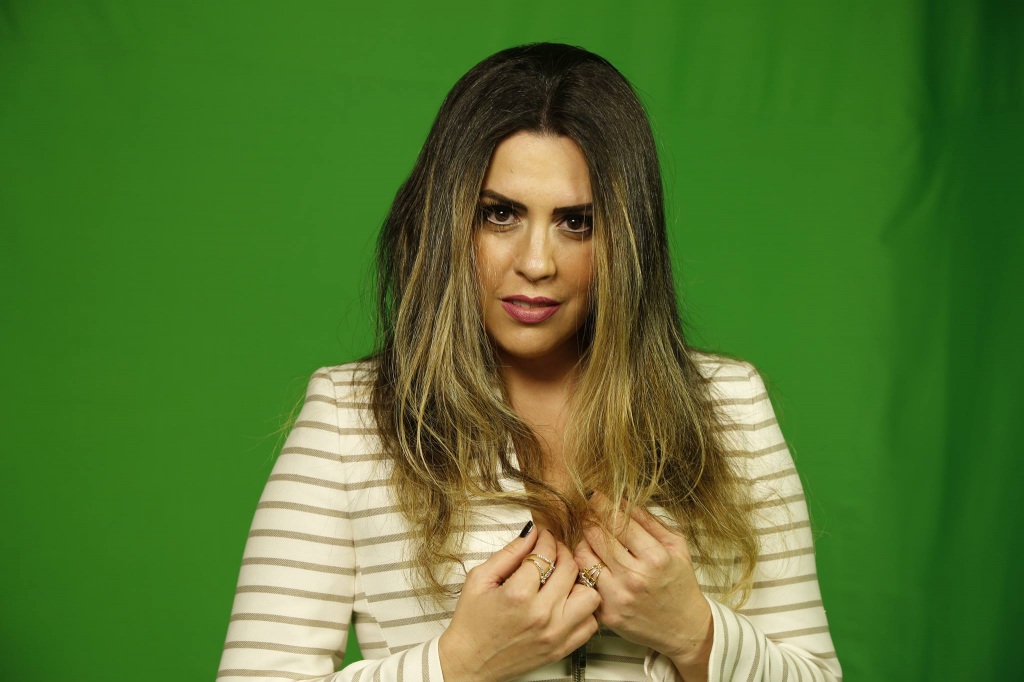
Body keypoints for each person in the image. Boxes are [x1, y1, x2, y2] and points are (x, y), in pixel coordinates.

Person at [217, 43, 841, 682]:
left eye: (577, 222)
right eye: (500, 215)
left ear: (627, 240)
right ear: (447, 222)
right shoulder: (353, 418)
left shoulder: (728, 403)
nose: (537, 262)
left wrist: (696, 635)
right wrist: (459, 664)